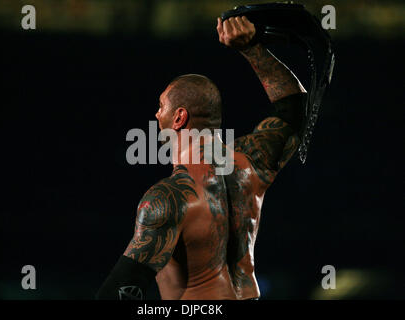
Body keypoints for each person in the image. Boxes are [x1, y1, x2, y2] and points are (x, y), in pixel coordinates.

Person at [96, 15, 307, 300]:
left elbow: (119, 292)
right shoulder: (251, 164)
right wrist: (252, 48)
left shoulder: (169, 198)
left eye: (161, 107)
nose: (157, 115)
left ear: (180, 117)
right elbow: (293, 110)